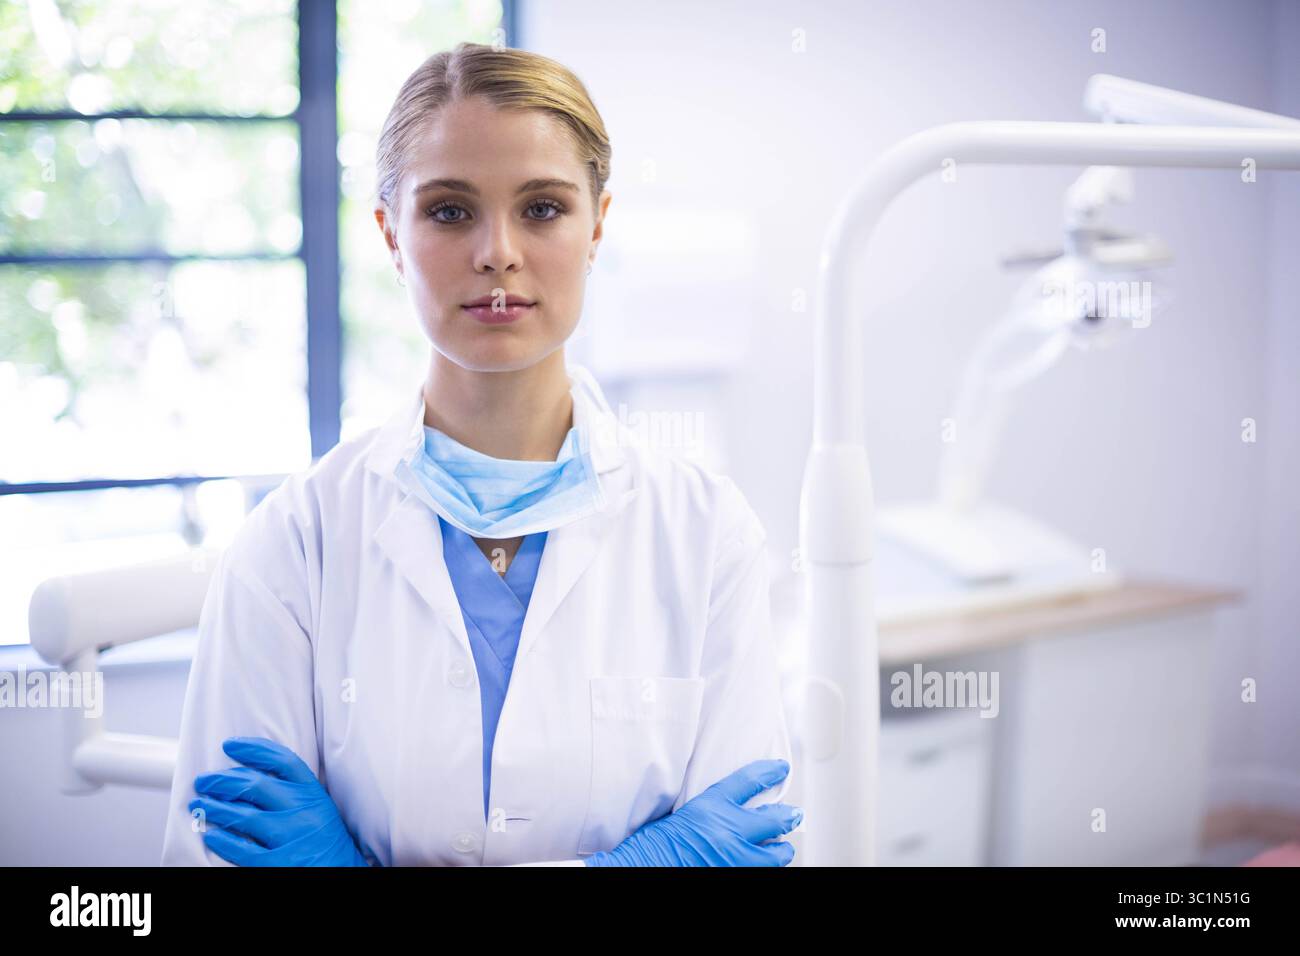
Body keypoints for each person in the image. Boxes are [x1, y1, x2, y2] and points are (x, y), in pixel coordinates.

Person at [161, 42, 799, 867]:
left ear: (598, 225)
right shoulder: (293, 546)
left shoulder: (706, 537)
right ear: (392, 235)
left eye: (542, 208)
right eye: (451, 211)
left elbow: (755, 840)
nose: (498, 251)